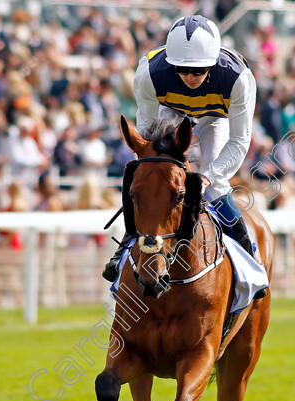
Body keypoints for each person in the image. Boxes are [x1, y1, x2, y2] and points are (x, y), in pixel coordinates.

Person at [102, 14, 267, 300]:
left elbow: (240, 140)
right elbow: (147, 137)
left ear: (213, 63)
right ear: (170, 63)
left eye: (200, 70)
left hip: (215, 119)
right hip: (169, 115)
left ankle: (250, 263)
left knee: (216, 188)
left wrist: (208, 175)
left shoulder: (239, 79)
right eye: (183, 69)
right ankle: (127, 243)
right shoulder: (149, 74)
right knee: (150, 181)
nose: (192, 77)